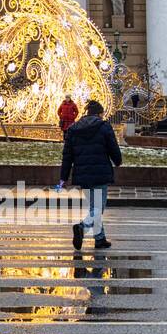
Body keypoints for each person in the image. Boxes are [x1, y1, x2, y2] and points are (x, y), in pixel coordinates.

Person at [59, 99, 122, 250]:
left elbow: (67, 156)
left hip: (84, 175)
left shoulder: (73, 129)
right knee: (98, 208)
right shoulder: (104, 126)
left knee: (94, 207)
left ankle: (99, 239)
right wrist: (118, 160)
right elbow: (112, 146)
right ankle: (82, 226)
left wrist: (63, 177)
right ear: (99, 113)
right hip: (100, 173)